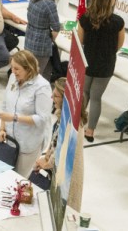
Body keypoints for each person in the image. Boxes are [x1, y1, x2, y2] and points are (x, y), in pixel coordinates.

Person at [78, 0, 125, 142]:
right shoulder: (118, 22)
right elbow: (120, 44)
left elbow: (81, 40)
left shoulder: (85, 18)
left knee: (84, 93)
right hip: (106, 64)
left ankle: (76, 122)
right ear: (109, 1)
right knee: (96, 97)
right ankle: (90, 131)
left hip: (88, 61)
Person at [33, 77, 85, 210]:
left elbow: (64, 150)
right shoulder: (61, 116)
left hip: (67, 177)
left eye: (56, 96)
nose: (51, 98)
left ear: (65, 100)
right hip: (56, 171)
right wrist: (44, 159)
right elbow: (55, 144)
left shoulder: (73, 125)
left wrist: (47, 163)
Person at [0, 50, 51, 177]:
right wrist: (1, 129)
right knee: (3, 176)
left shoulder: (42, 87)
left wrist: (15, 118)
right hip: (9, 141)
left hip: (28, 144)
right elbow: (5, 105)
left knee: (17, 179)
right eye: (12, 67)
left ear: (29, 69)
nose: (13, 71)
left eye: (17, 69)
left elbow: (42, 119)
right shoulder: (13, 78)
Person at [25, 0, 61, 80]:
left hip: (29, 39)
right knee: (36, 75)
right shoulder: (49, 4)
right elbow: (56, 26)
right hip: (41, 45)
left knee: (39, 70)